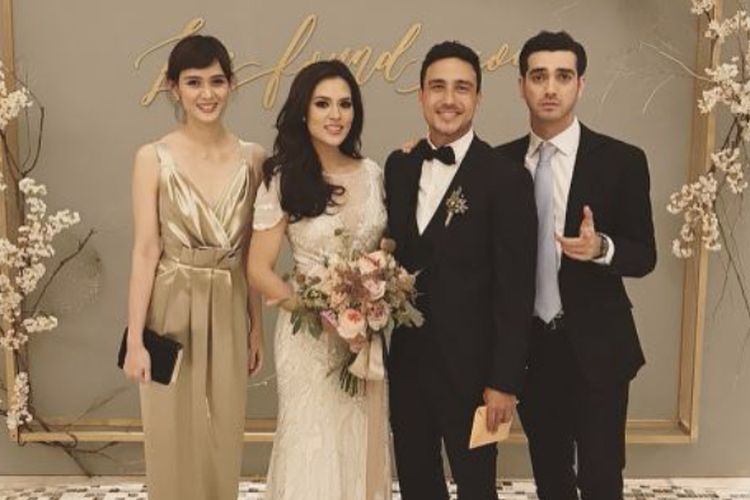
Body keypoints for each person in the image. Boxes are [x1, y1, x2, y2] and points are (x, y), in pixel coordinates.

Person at [496, 31, 657, 499]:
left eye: (563, 76)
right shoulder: (497, 164)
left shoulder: (622, 160)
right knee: (551, 479)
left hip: (599, 347)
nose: (550, 88)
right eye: (538, 76)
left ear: (580, 85)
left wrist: (601, 247)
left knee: (602, 479)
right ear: (521, 85)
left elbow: (644, 255)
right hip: (530, 349)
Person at [384, 41, 537, 500]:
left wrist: (504, 381)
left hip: (475, 373)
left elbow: (516, 289)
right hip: (408, 365)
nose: (448, 99)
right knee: (416, 483)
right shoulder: (399, 166)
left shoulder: (506, 178)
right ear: (420, 96)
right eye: (437, 87)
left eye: (462, 88)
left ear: (478, 98)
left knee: (476, 489)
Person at [123, 34, 266, 500]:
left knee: (224, 431)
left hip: (228, 302)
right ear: (173, 88)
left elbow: (251, 253)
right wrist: (135, 340)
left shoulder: (254, 159)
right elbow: (146, 250)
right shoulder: (153, 158)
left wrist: (256, 327)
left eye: (217, 81)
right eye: (193, 82)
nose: (207, 93)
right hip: (170, 304)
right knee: (169, 431)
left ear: (231, 84)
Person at [247, 60, 391, 500]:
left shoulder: (373, 173)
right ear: (303, 112)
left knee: (359, 441)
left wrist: (375, 294)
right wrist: (321, 315)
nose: (336, 115)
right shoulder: (282, 178)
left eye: (345, 104)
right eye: (323, 104)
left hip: (364, 336)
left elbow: (386, 246)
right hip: (308, 338)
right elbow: (258, 268)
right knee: (314, 443)